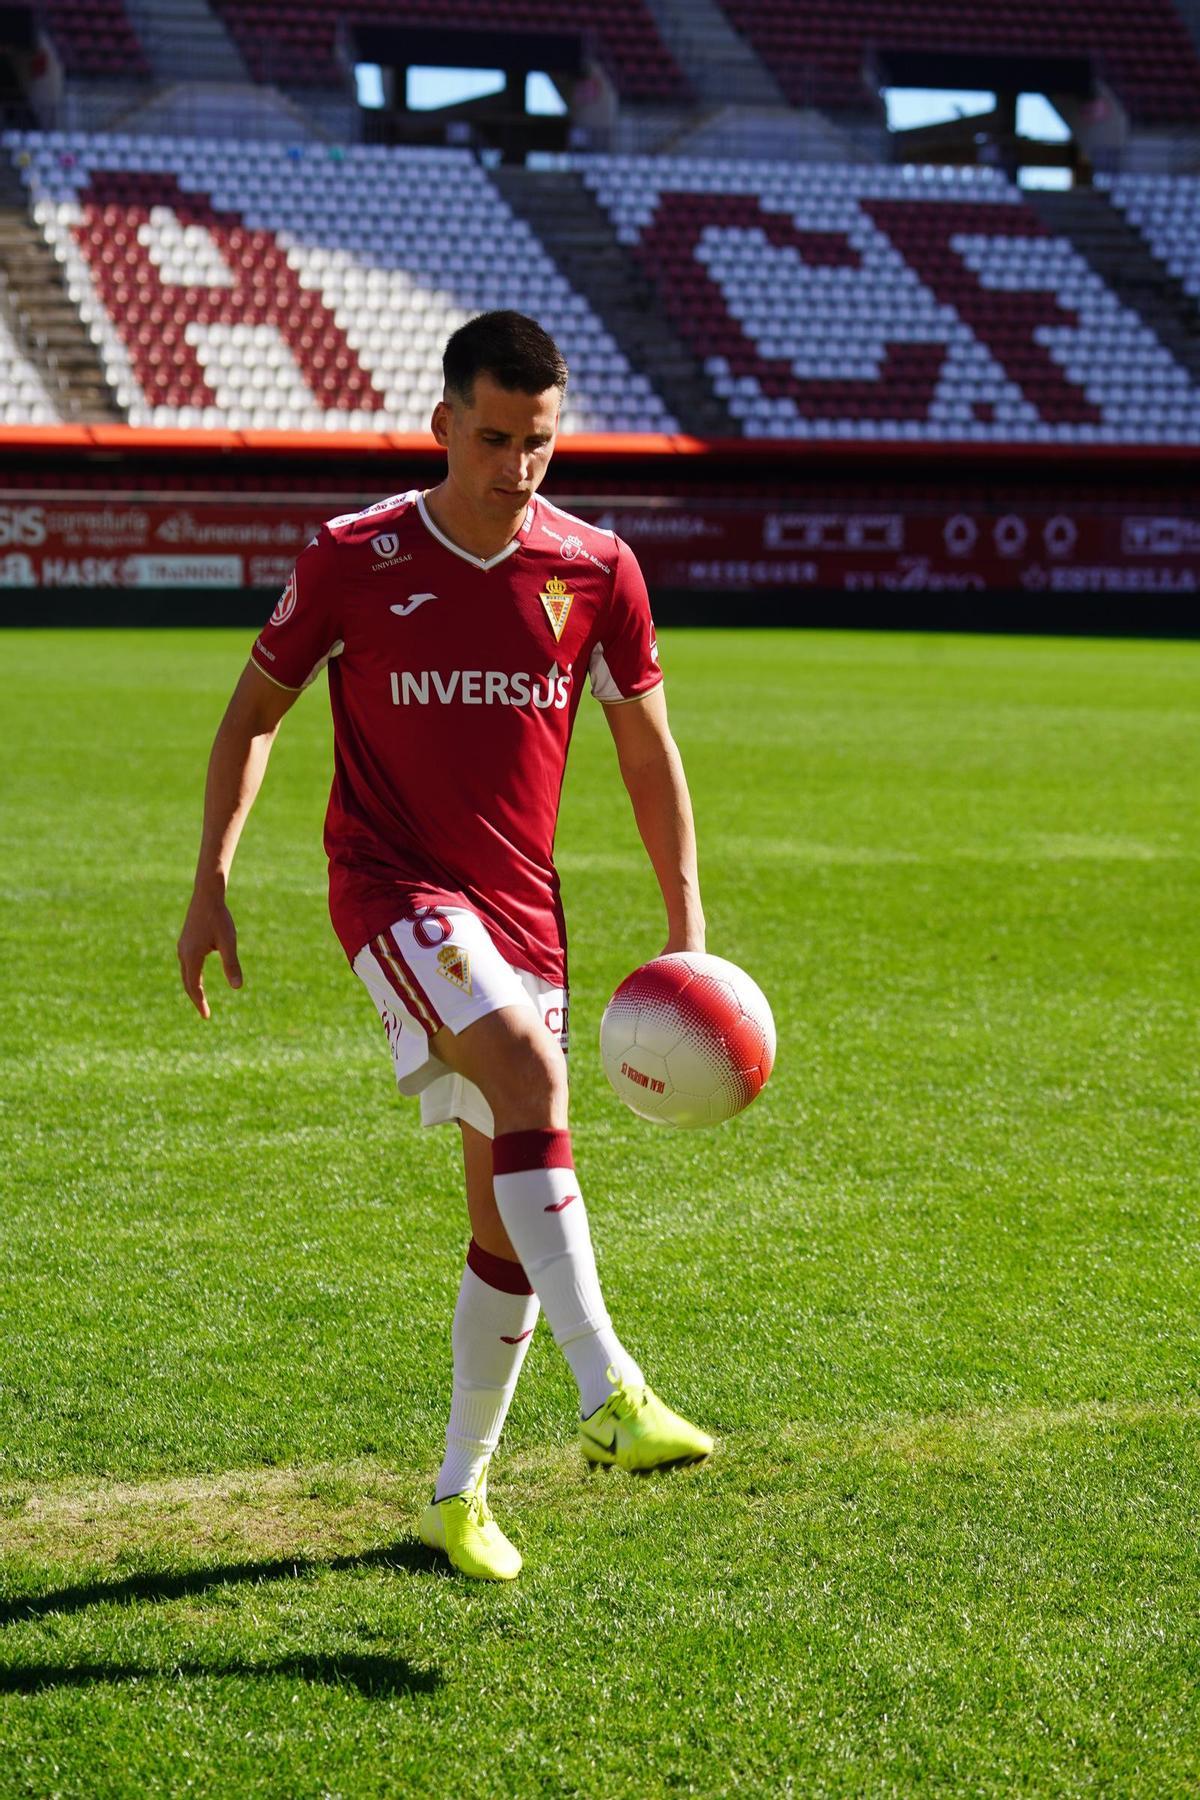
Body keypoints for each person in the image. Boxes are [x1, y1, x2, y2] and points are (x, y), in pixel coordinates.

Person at [177, 310, 712, 1582]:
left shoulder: (597, 568)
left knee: (504, 1222)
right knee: (530, 1074)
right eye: (493, 439)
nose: (517, 467)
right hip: (391, 886)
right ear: (442, 425)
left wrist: (688, 930)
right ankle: (610, 1388)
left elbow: (647, 751)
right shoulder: (352, 557)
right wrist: (210, 883)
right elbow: (252, 715)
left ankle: (456, 1496)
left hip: (525, 915)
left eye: (539, 443)